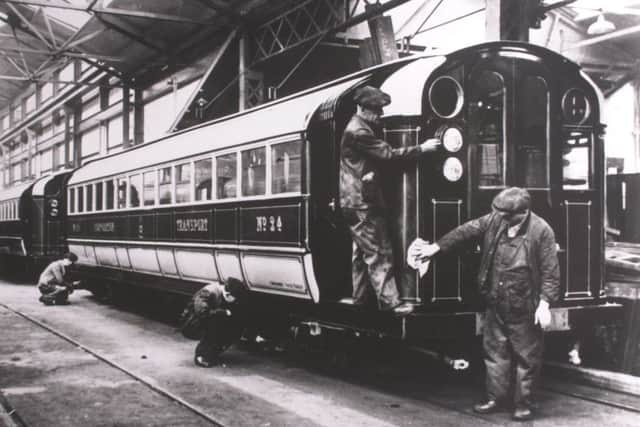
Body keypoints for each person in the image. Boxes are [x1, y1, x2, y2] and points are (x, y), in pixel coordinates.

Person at [407, 187, 560, 421]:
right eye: (496, 213)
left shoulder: (541, 231)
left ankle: (523, 404)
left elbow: (550, 270)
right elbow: (466, 231)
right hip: (495, 300)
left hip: (523, 304)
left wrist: (545, 303)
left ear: (522, 213)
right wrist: (435, 248)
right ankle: (495, 398)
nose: (498, 218)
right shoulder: (497, 219)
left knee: (526, 357)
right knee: (495, 353)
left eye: (504, 216)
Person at [340, 85, 440, 316]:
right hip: (362, 202)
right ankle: (391, 303)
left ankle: (360, 299)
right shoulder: (359, 132)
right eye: (376, 111)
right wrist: (421, 149)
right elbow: (388, 155)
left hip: (353, 200)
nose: (380, 116)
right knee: (379, 252)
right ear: (363, 109)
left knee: (361, 253)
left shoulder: (359, 127)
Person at [179, 278, 250, 367]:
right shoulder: (208, 292)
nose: (235, 301)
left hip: (206, 319)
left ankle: (212, 353)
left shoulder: (226, 294)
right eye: (235, 298)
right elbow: (202, 312)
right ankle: (201, 356)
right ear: (228, 295)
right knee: (216, 324)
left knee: (231, 326)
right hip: (192, 323)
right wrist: (222, 312)